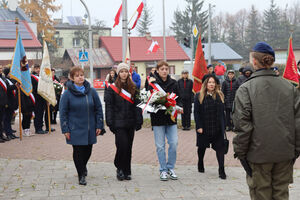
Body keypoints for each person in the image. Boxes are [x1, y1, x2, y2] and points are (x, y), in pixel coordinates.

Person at [233, 42, 300, 200]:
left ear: (255, 62)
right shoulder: (290, 88)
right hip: (284, 153)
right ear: (272, 61)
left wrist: (241, 154)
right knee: (282, 194)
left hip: (258, 155)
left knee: (261, 194)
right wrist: (295, 151)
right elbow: (298, 123)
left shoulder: (246, 89)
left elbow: (243, 126)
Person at [59, 67, 104, 186]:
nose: (80, 77)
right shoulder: (67, 94)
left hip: (90, 127)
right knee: (78, 152)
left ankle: (83, 166)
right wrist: (65, 128)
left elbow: (98, 108)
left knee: (88, 151)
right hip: (74, 128)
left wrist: (99, 124)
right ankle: (81, 174)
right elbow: (63, 113)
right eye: (77, 75)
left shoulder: (91, 91)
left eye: (82, 75)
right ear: (72, 78)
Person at [105, 63, 143, 181]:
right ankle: (119, 167)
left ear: (129, 73)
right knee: (122, 146)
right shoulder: (112, 88)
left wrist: (139, 120)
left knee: (129, 147)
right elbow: (109, 106)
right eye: (121, 71)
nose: (124, 73)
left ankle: (127, 170)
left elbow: (138, 105)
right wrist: (110, 122)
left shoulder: (134, 88)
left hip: (130, 122)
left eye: (126, 71)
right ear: (118, 73)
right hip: (118, 122)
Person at [148, 61, 182, 181]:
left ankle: (170, 167)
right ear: (157, 70)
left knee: (173, 143)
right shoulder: (152, 83)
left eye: (166, 69)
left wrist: (180, 107)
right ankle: (163, 170)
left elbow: (179, 98)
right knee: (160, 146)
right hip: (157, 119)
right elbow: (148, 100)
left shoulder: (174, 83)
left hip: (171, 118)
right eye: (162, 69)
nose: (164, 71)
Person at [194, 75, 227, 179]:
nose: (211, 84)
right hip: (204, 127)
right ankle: (200, 162)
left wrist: (224, 125)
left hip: (217, 127)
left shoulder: (220, 95)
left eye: (213, 82)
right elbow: (196, 113)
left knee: (220, 148)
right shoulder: (199, 95)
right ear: (205, 84)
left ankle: (221, 169)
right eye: (209, 82)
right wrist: (199, 126)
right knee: (202, 147)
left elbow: (223, 112)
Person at [31, 64, 53, 134]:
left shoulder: (41, 77)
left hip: (42, 98)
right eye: (36, 68)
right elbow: (34, 88)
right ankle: (38, 128)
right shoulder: (32, 77)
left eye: (39, 68)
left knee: (41, 113)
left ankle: (41, 126)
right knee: (38, 114)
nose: (38, 70)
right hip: (37, 98)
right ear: (33, 69)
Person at [2, 67, 19, 139]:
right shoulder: (5, 80)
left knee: (9, 119)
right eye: (10, 72)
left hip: (12, 102)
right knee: (6, 119)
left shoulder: (10, 80)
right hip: (7, 102)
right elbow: (8, 88)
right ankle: (8, 133)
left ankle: (10, 132)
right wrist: (15, 86)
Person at [0, 65, 9, 142]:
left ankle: (1, 135)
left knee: (1, 120)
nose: (0, 69)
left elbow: (8, 88)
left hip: (3, 102)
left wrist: (16, 86)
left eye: (1, 68)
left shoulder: (3, 78)